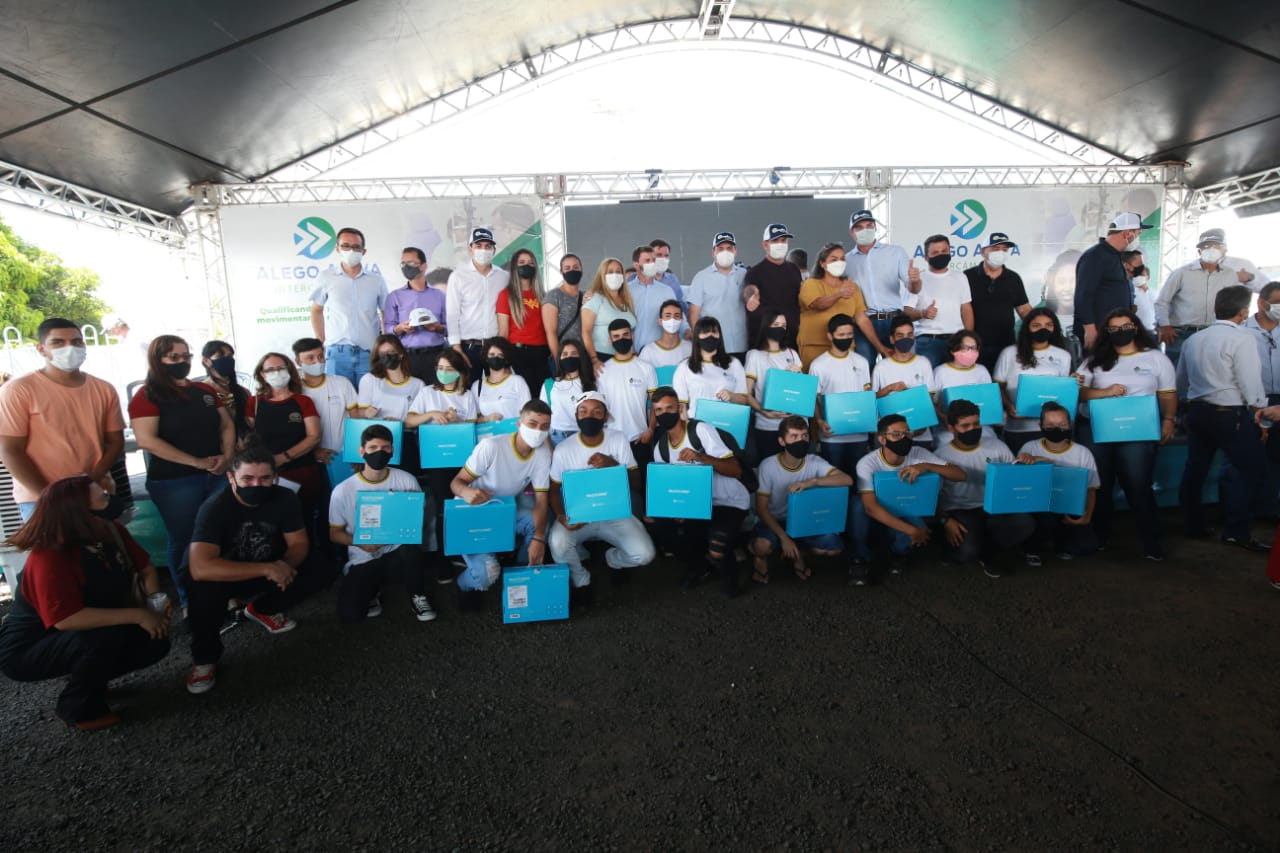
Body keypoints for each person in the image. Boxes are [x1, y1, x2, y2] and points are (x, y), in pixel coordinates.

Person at [0, 476, 170, 730]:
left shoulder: (110, 530)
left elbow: (145, 567)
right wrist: (139, 615)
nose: (110, 500)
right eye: (103, 498)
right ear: (79, 514)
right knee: (102, 637)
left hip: (79, 631)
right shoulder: (48, 556)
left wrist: (155, 601)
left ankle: (91, 679)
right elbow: (65, 619)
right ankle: (79, 708)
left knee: (154, 641)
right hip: (28, 648)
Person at [184, 439, 330, 695]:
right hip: (222, 574)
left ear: (275, 477)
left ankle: (262, 609)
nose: (256, 485)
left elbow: (298, 544)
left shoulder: (284, 497)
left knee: (320, 567)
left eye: (265, 479)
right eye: (248, 478)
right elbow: (200, 567)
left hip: (268, 563)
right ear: (231, 477)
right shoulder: (214, 508)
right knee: (201, 594)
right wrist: (267, 570)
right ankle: (205, 659)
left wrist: (284, 567)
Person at [128, 336, 236, 610]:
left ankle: (223, 593)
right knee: (185, 539)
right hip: (175, 482)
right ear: (158, 360)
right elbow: (147, 440)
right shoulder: (146, 396)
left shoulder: (204, 390)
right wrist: (195, 462)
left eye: (186, 356)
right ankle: (190, 600)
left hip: (217, 474)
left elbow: (226, 425)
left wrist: (226, 457)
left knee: (220, 533)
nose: (182, 362)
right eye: (173, 357)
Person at [1076, 308, 1176, 561]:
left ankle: (1151, 541)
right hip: (1098, 430)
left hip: (1139, 433)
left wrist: (1168, 420)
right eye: (1114, 329)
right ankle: (1100, 537)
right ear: (1106, 332)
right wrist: (1105, 392)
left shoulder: (1155, 358)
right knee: (1101, 485)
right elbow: (1077, 392)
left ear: (1136, 327)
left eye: (1126, 327)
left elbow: (1167, 394)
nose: (1121, 332)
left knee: (1138, 485)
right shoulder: (1094, 360)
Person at [0, 318, 124, 521]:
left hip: (94, 494)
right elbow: (10, 450)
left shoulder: (104, 389)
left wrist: (90, 482)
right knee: (54, 544)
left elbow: (115, 441)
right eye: (58, 342)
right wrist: (50, 497)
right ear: (41, 349)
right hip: (40, 499)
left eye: (76, 342)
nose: (69, 348)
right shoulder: (18, 391)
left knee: (105, 542)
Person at [1176, 286, 1270, 552]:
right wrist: (1261, 413)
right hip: (1230, 413)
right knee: (1251, 468)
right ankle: (1236, 531)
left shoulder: (1194, 339)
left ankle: (1193, 525)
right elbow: (1249, 381)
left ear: (1216, 309)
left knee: (1195, 470)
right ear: (1244, 312)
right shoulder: (1243, 338)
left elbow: (1181, 380)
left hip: (1197, 411)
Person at [548, 392, 655, 604]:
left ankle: (613, 559)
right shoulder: (563, 449)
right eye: (583, 411)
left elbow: (636, 484)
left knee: (644, 554)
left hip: (614, 513)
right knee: (557, 544)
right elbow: (553, 490)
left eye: (597, 412)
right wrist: (561, 516)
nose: (589, 416)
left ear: (605, 417)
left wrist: (613, 466)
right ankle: (581, 578)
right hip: (579, 516)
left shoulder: (618, 439)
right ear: (576, 416)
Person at [449, 400, 553, 610]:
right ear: (519, 423)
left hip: (505, 510)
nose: (538, 431)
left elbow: (542, 501)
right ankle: (463, 585)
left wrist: (539, 539)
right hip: (473, 514)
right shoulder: (491, 446)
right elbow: (456, 483)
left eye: (544, 426)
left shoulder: (542, 452)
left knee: (539, 525)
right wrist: (466, 492)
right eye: (532, 424)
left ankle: (521, 574)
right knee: (487, 573)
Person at [647, 388, 750, 596]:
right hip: (696, 505)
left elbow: (735, 470)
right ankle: (699, 566)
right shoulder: (661, 448)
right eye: (659, 410)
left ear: (679, 408)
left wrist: (700, 457)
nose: (664, 413)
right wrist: (676, 509)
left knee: (717, 549)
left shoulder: (700, 430)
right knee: (657, 523)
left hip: (728, 501)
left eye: (669, 408)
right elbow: (669, 487)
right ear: (654, 414)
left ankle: (730, 577)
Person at [329, 424, 435, 623]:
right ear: (361, 451)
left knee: (410, 549)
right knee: (350, 615)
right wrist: (360, 543)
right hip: (364, 555)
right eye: (373, 448)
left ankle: (418, 595)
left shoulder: (407, 480)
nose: (380, 453)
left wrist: (411, 507)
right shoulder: (343, 491)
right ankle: (372, 590)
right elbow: (335, 533)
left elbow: (417, 525)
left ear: (392, 451)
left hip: (398, 552)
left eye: (385, 448)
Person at [854, 414, 965, 581]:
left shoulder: (919, 453)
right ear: (882, 439)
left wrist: (926, 466)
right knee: (857, 505)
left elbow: (960, 475)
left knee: (918, 530)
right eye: (896, 434)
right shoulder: (867, 463)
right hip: (879, 511)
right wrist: (911, 530)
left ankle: (898, 554)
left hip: (906, 508)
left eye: (907, 433)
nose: (904, 438)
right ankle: (859, 558)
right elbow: (870, 507)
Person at [932, 400, 1034, 578]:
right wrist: (945, 521)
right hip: (960, 510)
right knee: (966, 552)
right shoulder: (940, 456)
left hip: (994, 507)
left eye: (976, 424)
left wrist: (1027, 463)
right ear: (951, 428)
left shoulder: (997, 446)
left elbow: (1012, 479)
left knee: (1026, 523)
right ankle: (955, 547)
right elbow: (933, 497)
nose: (973, 429)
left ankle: (989, 552)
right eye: (965, 426)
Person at [405, 348, 480, 583]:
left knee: (461, 505)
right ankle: (442, 560)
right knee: (442, 507)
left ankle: (460, 553)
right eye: (440, 368)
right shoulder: (428, 392)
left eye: (449, 369)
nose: (444, 373)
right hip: (436, 460)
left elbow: (474, 426)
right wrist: (431, 414)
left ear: (459, 371)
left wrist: (458, 420)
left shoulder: (467, 395)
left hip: (462, 460)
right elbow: (409, 421)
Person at [750, 416, 852, 583]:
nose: (801, 440)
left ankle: (796, 553)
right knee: (761, 546)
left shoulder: (814, 461)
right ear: (782, 441)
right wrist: (784, 539)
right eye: (794, 436)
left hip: (804, 520)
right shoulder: (768, 465)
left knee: (833, 547)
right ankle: (761, 559)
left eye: (804, 436)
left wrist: (813, 481)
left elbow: (847, 479)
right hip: (775, 519)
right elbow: (761, 509)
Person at [808, 313, 874, 570]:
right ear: (830, 336)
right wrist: (819, 421)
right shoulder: (819, 365)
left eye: (849, 334)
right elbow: (814, 399)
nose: (846, 338)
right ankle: (835, 535)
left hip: (859, 435)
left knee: (859, 490)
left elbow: (866, 396)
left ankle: (858, 540)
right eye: (841, 335)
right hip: (832, 438)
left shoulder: (861, 361)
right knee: (835, 489)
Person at [245, 354, 325, 546]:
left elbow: (313, 436)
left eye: (281, 368)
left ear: (290, 370)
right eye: (270, 370)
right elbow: (249, 439)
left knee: (303, 521)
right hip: (266, 476)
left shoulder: (303, 401)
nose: (277, 373)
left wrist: (284, 457)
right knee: (269, 525)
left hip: (302, 472)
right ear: (262, 374)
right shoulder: (254, 403)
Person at [1156, 228, 1264, 368]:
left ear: (1224, 251)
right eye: (1206, 246)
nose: (1211, 249)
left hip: (1215, 333)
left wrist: (1250, 277)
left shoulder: (1230, 274)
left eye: (1216, 246)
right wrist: (1164, 325)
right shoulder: (1182, 273)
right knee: (1177, 373)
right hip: (1182, 334)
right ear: (1199, 251)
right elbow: (1162, 301)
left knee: (1211, 373)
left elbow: (1235, 301)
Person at [1015, 403, 1101, 564]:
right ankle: (1032, 548)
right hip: (1039, 509)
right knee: (1043, 521)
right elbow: (1018, 484)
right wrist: (1036, 461)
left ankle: (1058, 542)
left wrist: (1086, 517)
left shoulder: (1083, 452)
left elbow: (1091, 489)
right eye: (1050, 425)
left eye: (1062, 425)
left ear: (1070, 425)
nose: (1056, 429)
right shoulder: (1029, 448)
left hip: (1069, 507)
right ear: (1041, 426)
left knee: (1087, 546)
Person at [309, 226, 389, 385]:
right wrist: (320, 341)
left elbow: (386, 313)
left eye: (356, 247)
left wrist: (385, 345)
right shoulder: (326, 277)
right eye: (345, 246)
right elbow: (316, 310)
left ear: (363, 251)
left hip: (369, 353)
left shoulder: (376, 280)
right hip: (337, 354)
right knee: (339, 398)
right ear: (337, 248)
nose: (351, 251)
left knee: (371, 397)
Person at [845, 209, 922, 365]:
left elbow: (913, 289)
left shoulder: (895, 252)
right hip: (864, 323)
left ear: (875, 227)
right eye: (859, 227)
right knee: (864, 367)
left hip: (894, 320)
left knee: (901, 366)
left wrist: (915, 280)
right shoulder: (846, 260)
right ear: (851, 232)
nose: (865, 230)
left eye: (869, 225)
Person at [993, 308, 1074, 453]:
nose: (1043, 329)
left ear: (1055, 328)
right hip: (1018, 428)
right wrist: (1009, 405)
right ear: (1027, 328)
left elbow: (1063, 390)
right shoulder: (1009, 353)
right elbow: (998, 386)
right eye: (1036, 325)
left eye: (1048, 325)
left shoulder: (1063, 355)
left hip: (1052, 428)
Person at [797, 243, 888, 368]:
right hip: (815, 346)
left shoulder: (852, 286)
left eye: (842, 259)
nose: (839, 263)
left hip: (845, 347)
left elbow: (862, 319)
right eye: (834, 259)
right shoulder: (811, 284)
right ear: (822, 263)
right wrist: (838, 294)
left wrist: (880, 347)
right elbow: (818, 304)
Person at [1073, 212, 1151, 351]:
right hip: (1099, 332)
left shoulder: (1115, 256)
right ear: (1127, 233)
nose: (1137, 239)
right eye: (1137, 234)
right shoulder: (1096, 256)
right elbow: (1083, 296)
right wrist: (1090, 330)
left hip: (1115, 332)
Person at [1237, 282, 1280, 517]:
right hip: (1249, 401)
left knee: (1276, 458)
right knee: (1246, 457)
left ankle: (1269, 507)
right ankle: (1241, 511)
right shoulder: (1241, 331)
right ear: (1262, 303)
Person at [355, 334, 426, 469]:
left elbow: (420, 419)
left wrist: (401, 423)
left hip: (405, 439)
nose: (387, 356)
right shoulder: (369, 379)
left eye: (391, 352)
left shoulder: (418, 384)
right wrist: (367, 412)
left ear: (401, 354)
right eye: (382, 354)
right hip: (376, 441)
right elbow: (359, 413)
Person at [963, 232, 1032, 371]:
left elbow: (1024, 309)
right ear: (983, 252)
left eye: (1004, 250)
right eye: (995, 249)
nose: (1000, 253)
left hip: (1006, 345)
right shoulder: (967, 277)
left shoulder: (1013, 278)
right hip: (975, 345)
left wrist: (1038, 325)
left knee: (1002, 381)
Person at [905, 234, 974, 367]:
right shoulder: (917, 280)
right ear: (926, 257)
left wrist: (969, 337)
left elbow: (966, 309)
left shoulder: (960, 277)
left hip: (956, 340)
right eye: (935, 252)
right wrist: (922, 313)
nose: (941, 255)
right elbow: (906, 313)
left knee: (957, 378)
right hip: (928, 340)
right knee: (927, 379)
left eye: (944, 251)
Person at [446, 227, 510, 371]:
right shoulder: (458, 276)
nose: (483, 250)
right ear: (470, 249)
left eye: (488, 246)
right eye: (478, 246)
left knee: (496, 384)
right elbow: (452, 315)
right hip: (468, 348)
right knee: (470, 385)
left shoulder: (503, 277)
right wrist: (456, 348)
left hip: (495, 348)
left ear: (494, 250)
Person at [292, 337, 357, 477]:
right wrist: (313, 451)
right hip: (309, 458)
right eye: (310, 358)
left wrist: (355, 453)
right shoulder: (294, 391)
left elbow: (356, 420)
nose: (318, 362)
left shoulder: (342, 383)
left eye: (321, 356)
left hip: (343, 456)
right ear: (298, 361)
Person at [595, 320, 658, 463]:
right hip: (612, 440)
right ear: (610, 340)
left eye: (625, 335)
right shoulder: (602, 371)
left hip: (640, 438)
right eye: (616, 336)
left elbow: (656, 403)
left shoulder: (646, 367)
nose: (621, 339)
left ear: (632, 336)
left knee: (642, 477)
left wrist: (651, 430)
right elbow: (600, 407)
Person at [384, 246, 447, 385]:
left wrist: (437, 328)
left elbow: (450, 327)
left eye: (411, 263)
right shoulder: (394, 296)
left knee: (436, 394)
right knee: (410, 395)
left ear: (424, 266)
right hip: (407, 357)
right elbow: (387, 328)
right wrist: (399, 328)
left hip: (436, 356)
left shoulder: (439, 295)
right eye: (403, 263)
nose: (406, 267)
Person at [872, 315, 937, 446]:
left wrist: (923, 425)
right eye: (900, 335)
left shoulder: (923, 363)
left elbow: (930, 396)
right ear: (892, 339)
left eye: (909, 334)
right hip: (890, 436)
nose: (905, 339)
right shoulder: (881, 366)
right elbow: (872, 399)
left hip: (919, 433)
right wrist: (889, 388)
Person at [744, 309, 803, 454]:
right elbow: (746, 393)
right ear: (766, 327)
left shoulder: (792, 353)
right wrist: (764, 412)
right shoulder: (755, 355)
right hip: (768, 425)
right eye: (776, 324)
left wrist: (799, 374)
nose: (780, 328)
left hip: (795, 426)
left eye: (784, 325)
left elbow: (803, 391)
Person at [687, 232, 752, 361]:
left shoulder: (744, 275)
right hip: (712, 346)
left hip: (741, 344)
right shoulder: (701, 277)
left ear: (735, 251)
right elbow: (693, 315)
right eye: (720, 248)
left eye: (729, 248)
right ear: (713, 252)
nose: (725, 252)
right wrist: (700, 343)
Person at [496, 248, 551, 398]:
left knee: (543, 397)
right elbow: (503, 333)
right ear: (514, 267)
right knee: (526, 398)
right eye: (522, 262)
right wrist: (503, 361)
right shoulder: (506, 295)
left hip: (542, 353)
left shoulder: (543, 295)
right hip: (518, 353)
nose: (526, 265)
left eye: (530, 263)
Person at [672, 316, 751, 421]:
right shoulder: (684, 367)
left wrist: (731, 396)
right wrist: (687, 428)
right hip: (697, 424)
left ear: (720, 335)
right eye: (705, 332)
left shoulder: (733, 363)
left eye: (714, 332)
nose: (710, 335)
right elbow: (681, 406)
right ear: (697, 336)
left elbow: (744, 400)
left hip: (727, 423)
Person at [931, 330, 999, 446]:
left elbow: (990, 402)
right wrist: (945, 419)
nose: (970, 352)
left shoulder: (982, 370)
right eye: (965, 348)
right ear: (953, 350)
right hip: (949, 431)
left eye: (974, 348)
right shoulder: (940, 372)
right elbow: (932, 404)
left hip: (981, 427)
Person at [743, 223, 802, 347]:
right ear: (765, 245)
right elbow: (749, 290)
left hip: (791, 339)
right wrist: (750, 298)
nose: (780, 244)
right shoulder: (755, 272)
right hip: (764, 343)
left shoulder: (794, 269)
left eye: (783, 240)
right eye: (775, 241)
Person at [581, 257, 638, 374]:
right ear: (602, 275)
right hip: (602, 358)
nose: (615, 275)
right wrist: (594, 359)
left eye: (618, 272)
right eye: (610, 272)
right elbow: (586, 331)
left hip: (626, 357)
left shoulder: (627, 300)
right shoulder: (595, 299)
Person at [627, 245, 682, 351]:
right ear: (636, 265)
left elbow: (678, 317)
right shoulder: (626, 291)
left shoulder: (667, 291)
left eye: (654, 260)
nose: (652, 264)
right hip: (633, 351)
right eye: (647, 261)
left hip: (660, 350)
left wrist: (688, 332)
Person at [541, 339, 593, 447]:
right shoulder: (549, 384)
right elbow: (543, 415)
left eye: (574, 354)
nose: (569, 357)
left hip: (584, 435)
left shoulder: (591, 383)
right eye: (565, 354)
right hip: (556, 437)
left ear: (580, 357)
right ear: (559, 358)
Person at [199, 340, 251, 441]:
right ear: (206, 361)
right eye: (220, 356)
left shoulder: (243, 391)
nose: (227, 360)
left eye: (230, 356)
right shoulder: (202, 391)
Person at [473, 337, 532, 424]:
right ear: (486, 357)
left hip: (513, 431)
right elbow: (473, 420)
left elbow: (528, 414)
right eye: (492, 354)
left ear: (506, 358)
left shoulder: (517, 382)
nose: (496, 358)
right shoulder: (477, 386)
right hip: (487, 432)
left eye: (500, 355)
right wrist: (486, 419)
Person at [542, 254, 585, 363]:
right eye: (567, 268)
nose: (572, 270)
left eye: (576, 267)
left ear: (581, 269)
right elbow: (550, 332)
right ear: (561, 271)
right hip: (564, 357)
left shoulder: (585, 296)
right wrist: (559, 362)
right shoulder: (553, 296)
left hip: (583, 357)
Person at [638, 300, 693, 370]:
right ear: (660, 321)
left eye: (676, 316)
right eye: (668, 316)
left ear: (681, 320)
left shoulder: (689, 348)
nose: (672, 319)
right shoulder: (648, 351)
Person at [639, 238, 688, 311]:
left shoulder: (672, 279)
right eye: (659, 255)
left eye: (666, 255)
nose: (663, 259)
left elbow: (680, 303)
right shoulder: (637, 279)